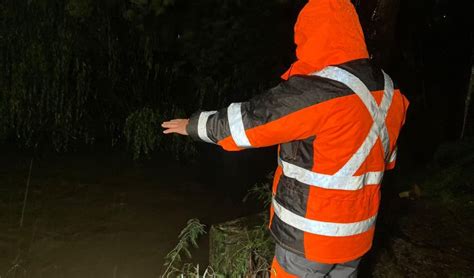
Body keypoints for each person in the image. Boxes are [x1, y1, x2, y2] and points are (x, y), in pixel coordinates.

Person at [162, 0, 409, 276]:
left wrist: (193, 125)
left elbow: (250, 121)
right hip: (358, 237)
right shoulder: (390, 92)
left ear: (314, 33)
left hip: (308, 242)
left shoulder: (318, 91)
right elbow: (385, 162)